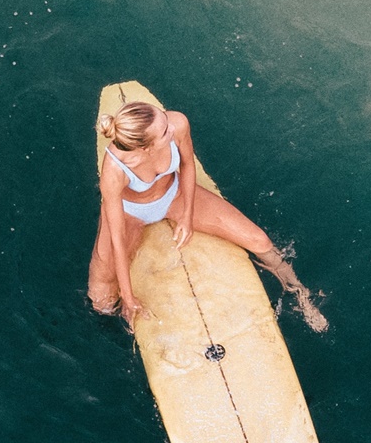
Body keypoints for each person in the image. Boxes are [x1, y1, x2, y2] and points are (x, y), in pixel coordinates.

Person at [89, 101, 327, 332]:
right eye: (164, 131)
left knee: (260, 241)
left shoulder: (177, 123)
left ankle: (301, 294)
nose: (170, 126)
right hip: (131, 212)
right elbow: (118, 239)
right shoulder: (113, 171)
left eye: (164, 117)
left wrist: (186, 216)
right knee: (102, 298)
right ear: (146, 148)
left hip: (175, 194)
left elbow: (188, 166)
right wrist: (128, 297)